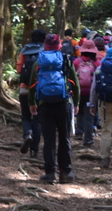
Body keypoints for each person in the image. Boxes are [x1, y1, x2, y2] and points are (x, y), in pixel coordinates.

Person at [29, 33, 79, 184]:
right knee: (64, 138)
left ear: (45, 45)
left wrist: (32, 103)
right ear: (59, 46)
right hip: (64, 103)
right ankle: (66, 173)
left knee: (49, 139)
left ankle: (50, 173)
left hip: (45, 105)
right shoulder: (65, 59)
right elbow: (74, 82)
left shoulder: (38, 61)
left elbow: (32, 84)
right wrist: (76, 103)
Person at [16, 29, 46, 157]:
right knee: (37, 120)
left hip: (24, 88)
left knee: (26, 116)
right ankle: (35, 151)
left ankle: (27, 134)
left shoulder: (24, 51)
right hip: (40, 89)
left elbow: (18, 69)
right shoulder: (45, 51)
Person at [73, 38, 99, 147]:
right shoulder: (97, 63)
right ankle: (88, 139)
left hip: (78, 91)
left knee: (79, 112)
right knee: (89, 115)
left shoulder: (77, 61)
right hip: (91, 93)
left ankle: (79, 132)